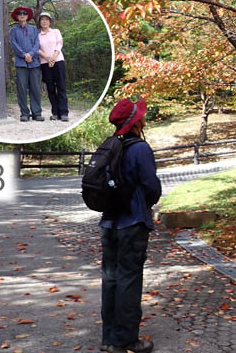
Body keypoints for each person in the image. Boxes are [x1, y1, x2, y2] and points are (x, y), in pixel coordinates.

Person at [99, 98, 161, 353]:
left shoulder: (110, 145)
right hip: (132, 223)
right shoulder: (140, 149)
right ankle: (125, 341)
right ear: (136, 122)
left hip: (109, 222)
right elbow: (151, 187)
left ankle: (109, 338)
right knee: (128, 280)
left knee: (111, 279)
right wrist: (147, 204)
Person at [9, 6, 43, 122]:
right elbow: (14, 45)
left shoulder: (34, 29)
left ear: (27, 16)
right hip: (21, 63)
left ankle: (37, 113)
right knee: (22, 89)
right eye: (19, 13)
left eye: (24, 13)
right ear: (17, 17)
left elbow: (37, 44)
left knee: (35, 88)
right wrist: (24, 55)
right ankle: (24, 113)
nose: (22, 15)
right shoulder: (13, 30)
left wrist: (31, 54)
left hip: (34, 63)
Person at [37, 12, 69, 121]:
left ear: (50, 21)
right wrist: (47, 58)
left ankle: (64, 112)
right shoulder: (38, 35)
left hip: (58, 61)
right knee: (50, 88)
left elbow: (59, 43)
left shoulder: (55, 31)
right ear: (39, 22)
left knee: (61, 86)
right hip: (45, 63)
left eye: (47, 19)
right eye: (42, 19)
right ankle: (55, 112)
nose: (44, 21)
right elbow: (37, 49)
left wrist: (53, 58)